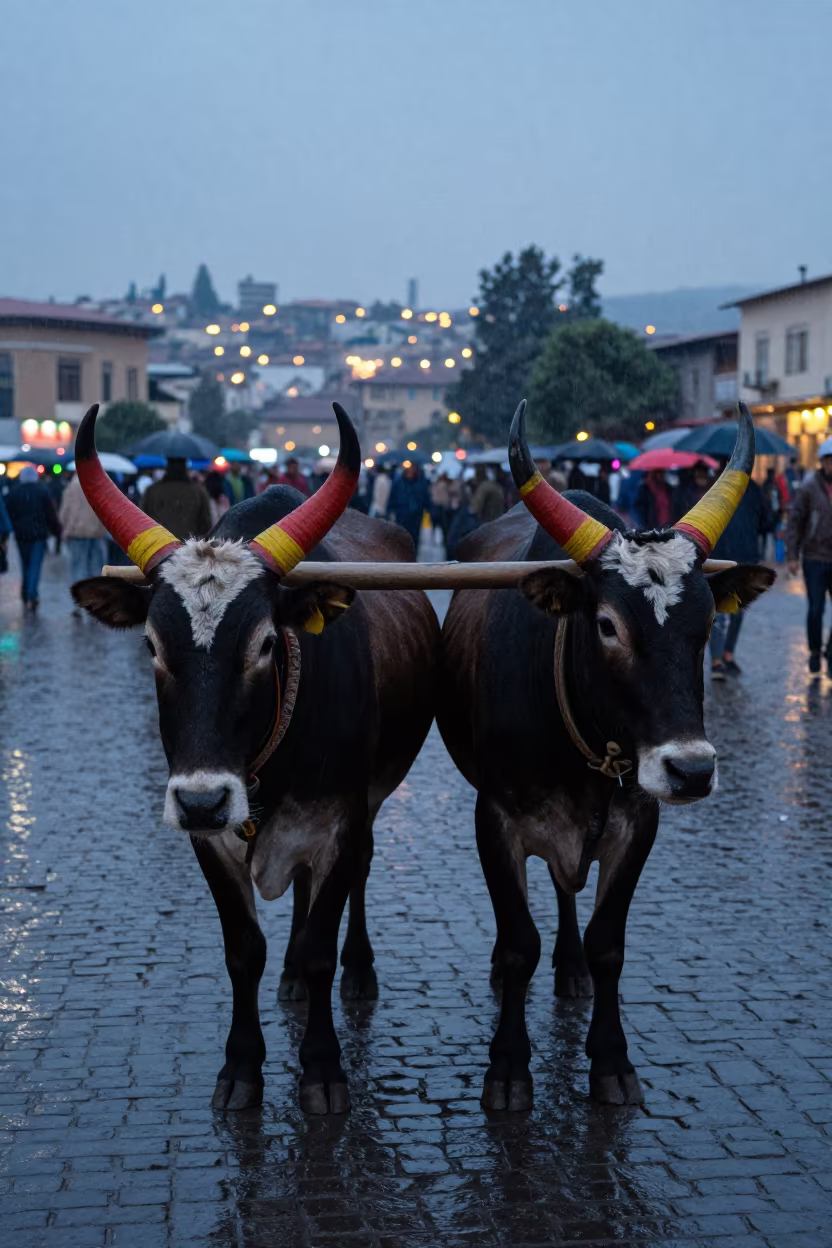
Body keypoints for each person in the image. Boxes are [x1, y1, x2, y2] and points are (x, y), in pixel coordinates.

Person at [710, 466, 768, 679]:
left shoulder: (720, 487)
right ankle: (722, 657)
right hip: (730, 557)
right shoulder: (749, 489)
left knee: (727, 609)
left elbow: (764, 521)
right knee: (726, 609)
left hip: (732, 557)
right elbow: (765, 523)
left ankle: (722, 657)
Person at [787, 438, 832, 674]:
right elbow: (795, 523)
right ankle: (815, 651)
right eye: (829, 460)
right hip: (814, 557)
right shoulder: (808, 488)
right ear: (823, 462)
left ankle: (831, 653)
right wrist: (792, 555)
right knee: (816, 608)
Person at [5, 465, 60, 609]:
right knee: (35, 565)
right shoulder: (42, 491)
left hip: (21, 535)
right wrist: (56, 531)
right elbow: (50, 514)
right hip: (38, 534)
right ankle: (31, 594)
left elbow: (7, 513)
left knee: (25, 565)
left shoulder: (14, 492)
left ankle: (26, 592)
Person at [142, 458, 212, 541]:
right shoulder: (198, 491)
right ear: (185, 465)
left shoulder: (152, 491)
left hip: (158, 545)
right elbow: (206, 525)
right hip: (188, 547)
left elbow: (143, 520)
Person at [59, 471, 108, 584]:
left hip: (77, 533)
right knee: (95, 568)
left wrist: (66, 529)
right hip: (97, 533)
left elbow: (65, 512)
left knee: (78, 567)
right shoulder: (100, 488)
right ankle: (95, 595)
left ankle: (82, 595)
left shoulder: (71, 489)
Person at [386, 463, 431, 549]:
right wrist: (389, 510)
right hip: (402, 513)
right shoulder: (399, 482)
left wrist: (429, 509)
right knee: (402, 536)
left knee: (414, 537)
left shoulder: (421, 483)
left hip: (416, 515)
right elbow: (392, 497)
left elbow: (426, 497)